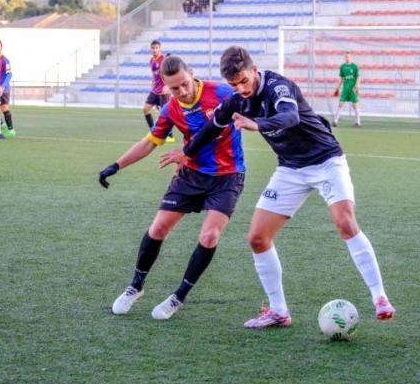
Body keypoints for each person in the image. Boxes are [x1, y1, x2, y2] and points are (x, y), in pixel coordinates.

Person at [161, 46, 395, 329]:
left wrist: (256, 124)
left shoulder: (277, 86)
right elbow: (211, 128)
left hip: (326, 161)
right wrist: (187, 152)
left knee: (345, 223)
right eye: (234, 84)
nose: (241, 88)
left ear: (253, 69)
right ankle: (279, 311)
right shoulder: (237, 99)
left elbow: (289, 118)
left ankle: (379, 297)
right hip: (290, 169)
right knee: (257, 238)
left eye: (244, 81)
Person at [99, 55, 245, 320]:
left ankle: (178, 297)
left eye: (185, 84)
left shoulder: (221, 92)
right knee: (158, 228)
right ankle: (135, 286)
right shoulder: (170, 109)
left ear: (192, 74)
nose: (183, 91)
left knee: (209, 237)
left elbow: (254, 104)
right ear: (166, 87)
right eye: (175, 88)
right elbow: (149, 143)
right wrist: (116, 166)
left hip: (228, 176)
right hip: (190, 175)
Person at [143, 40, 174, 142]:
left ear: (160, 48)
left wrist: (168, 87)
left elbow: (170, 73)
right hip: (155, 90)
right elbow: (154, 76)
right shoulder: (152, 60)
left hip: (164, 91)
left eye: (156, 48)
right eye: (153, 48)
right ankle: (153, 131)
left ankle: (170, 135)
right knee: (145, 109)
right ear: (151, 49)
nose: (155, 50)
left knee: (165, 113)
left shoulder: (164, 59)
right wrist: (152, 87)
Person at [0, 40, 15, 137]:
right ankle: (1, 124)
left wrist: (2, 86)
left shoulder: (5, 60)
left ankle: (11, 129)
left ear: (1, 48)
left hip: (3, 88)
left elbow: (9, 74)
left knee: (4, 107)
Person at [333, 52, 361, 127]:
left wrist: (357, 85)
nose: (347, 58)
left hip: (352, 89)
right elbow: (342, 78)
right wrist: (338, 87)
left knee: (354, 105)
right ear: (344, 58)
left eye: (348, 57)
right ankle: (335, 121)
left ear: (351, 57)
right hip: (345, 89)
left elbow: (358, 77)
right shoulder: (342, 67)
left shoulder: (355, 66)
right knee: (340, 104)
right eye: (346, 57)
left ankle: (358, 122)